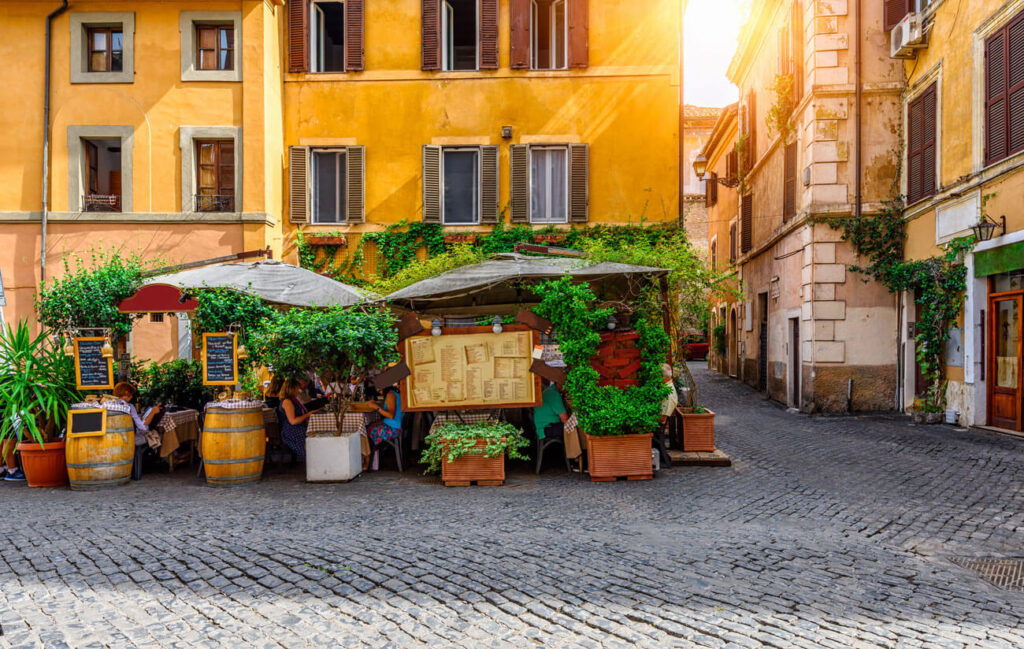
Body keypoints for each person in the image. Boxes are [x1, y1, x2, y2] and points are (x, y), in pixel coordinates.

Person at [112, 382, 161, 481]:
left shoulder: (109, 404)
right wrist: (152, 413)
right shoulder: (129, 407)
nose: (132, 397)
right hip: (129, 438)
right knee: (152, 435)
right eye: (131, 394)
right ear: (127, 393)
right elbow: (143, 427)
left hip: (112, 439)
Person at [279, 378, 321, 460]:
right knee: (311, 436)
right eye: (297, 388)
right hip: (292, 430)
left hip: (299, 426)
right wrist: (308, 414)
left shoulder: (293, 400)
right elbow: (293, 421)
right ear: (292, 389)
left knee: (318, 432)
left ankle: (316, 458)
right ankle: (313, 459)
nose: (299, 390)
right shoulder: (287, 402)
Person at [363, 387, 402, 470]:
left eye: (379, 389)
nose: (378, 391)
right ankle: (373, 460)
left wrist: (376, 407)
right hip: (393, 425)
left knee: (366, 431)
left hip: (393, 429)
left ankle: (368, 461)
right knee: (369, 426)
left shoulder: (390, 395)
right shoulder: (393, 393)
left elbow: (390, 415)